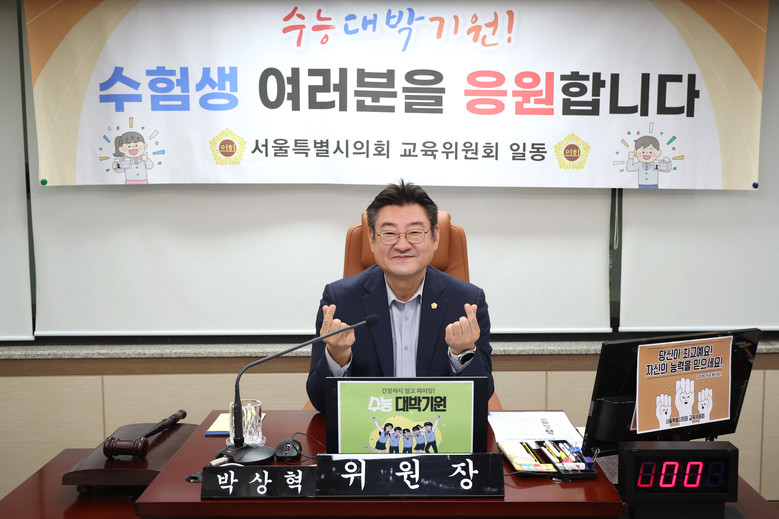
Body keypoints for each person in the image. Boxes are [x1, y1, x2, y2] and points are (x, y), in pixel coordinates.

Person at [305, 180, 494, 412]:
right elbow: (321, 402)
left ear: (435, 237)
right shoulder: (340, 301)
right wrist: (337, 355)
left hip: (437, 427)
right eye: (389, 233)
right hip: (368, 427)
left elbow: (480, 399)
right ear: (372, 239)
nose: (402, 245)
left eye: (414, 232)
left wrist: (463, 353)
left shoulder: (466, 303)